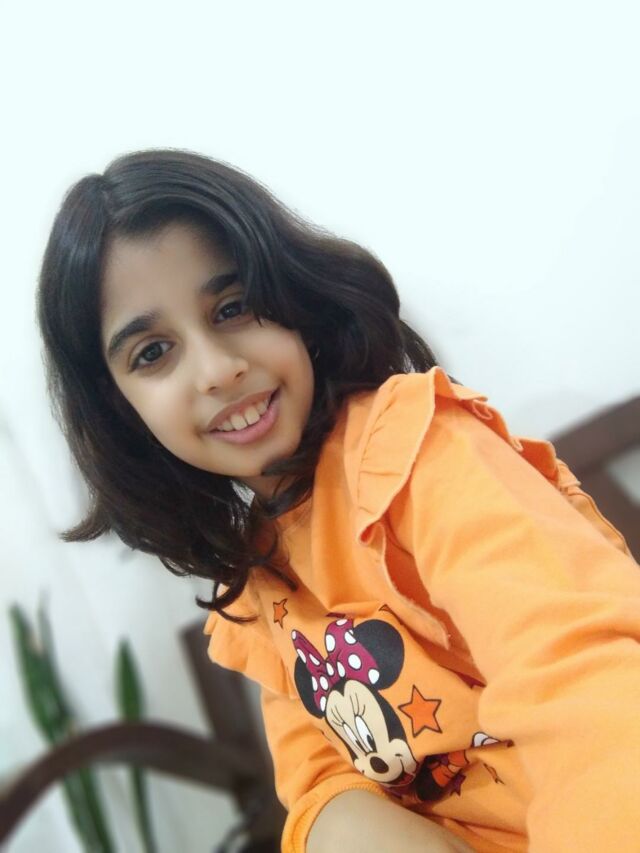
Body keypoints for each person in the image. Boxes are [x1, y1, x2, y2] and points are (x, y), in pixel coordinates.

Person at [37, 148, 640, 853]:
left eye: (232, 308)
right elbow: (319, 781)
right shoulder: (257, 583)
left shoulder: (417, 454)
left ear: (290, 298)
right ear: (121, 409)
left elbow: (587, 678)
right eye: (152, 353)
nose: (217, 369)